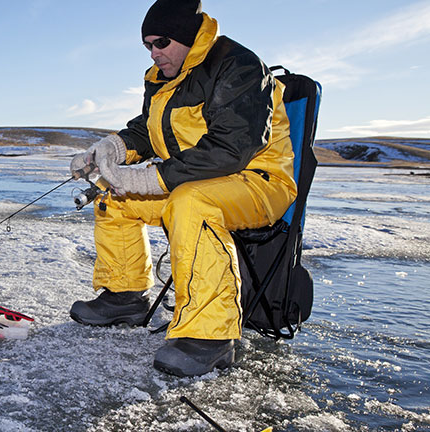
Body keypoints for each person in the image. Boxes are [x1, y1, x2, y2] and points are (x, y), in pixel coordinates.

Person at [69, 0, 297, 377]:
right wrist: (109, 150)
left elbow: (232, 148)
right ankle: (125, 296)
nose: (154, 53)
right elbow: (148, 128)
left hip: (258, 181)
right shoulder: (161, 78)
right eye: (148, 45)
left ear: (188, 36)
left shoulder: (237, 65)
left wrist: (149, 178)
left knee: (191, 203)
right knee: (113, 198)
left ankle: (209, 337)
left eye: (162, 42)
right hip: (192, 180)